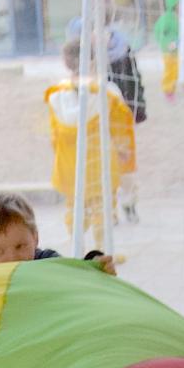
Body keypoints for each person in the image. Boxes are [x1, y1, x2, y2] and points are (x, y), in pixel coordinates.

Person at [44, 42, 140, 246]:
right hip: (99, 163)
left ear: (66, 62)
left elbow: (54, 134)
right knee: (102, 206)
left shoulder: (56, 95)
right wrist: (123, 149)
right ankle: (101, 248)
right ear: (94, 60)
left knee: (74, 205)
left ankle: (76, 243)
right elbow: (120, 124)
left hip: (70, 164)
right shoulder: (107, 93)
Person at [0, 191, 115, 273]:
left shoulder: (47, 261)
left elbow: (75, 276)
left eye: (20, 246)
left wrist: (96, 266)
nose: (12, 258)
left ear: (35, 238)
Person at [153, 0, 182, 101]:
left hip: (180, 50)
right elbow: (159, 33)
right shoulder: (166, 19)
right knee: (170, 71)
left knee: (182, 69)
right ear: (173, 4)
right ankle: (168, 90)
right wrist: (168, 44)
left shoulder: (182, 18)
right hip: (169, 52)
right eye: (180, 3)